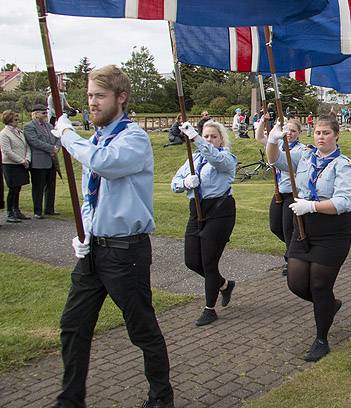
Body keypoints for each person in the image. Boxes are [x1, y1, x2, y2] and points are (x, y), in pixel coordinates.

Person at [50, 65, 174, 408]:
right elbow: (94, 194)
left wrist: (67, 136)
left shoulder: (132, 138)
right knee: (73, 328)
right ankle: (70, 400)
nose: (92, 103)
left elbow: (104, 164)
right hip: (93, 253)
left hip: (125, 253)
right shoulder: (96, 139)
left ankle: (161, 398)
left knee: (142, 329)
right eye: (89, 96)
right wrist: (85, 234)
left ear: (121, 98)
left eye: (99, 96)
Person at [266, 115, 351, 362]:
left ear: (336, 135)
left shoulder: (344, 165)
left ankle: (321, 339)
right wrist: (273, 140)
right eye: (317, 132)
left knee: (319, 285)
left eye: (326, 133)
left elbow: (343, 202)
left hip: (332, 231)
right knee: (296, 283)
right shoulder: (305, 157)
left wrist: (312, 206)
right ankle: (328, 305)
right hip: (304, 228)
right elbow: (274, 160)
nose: (321, 137)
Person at [171, 119, 237, 326]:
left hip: (220, 211)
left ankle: (210, 309)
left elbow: (216, 160)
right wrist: (184, 183)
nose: (209, 139)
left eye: (213, 137)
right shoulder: (194, 158)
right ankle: (224, 285)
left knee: (209, 262)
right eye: (206, 136)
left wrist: (197, 139)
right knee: (192, 261)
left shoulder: (226, 157)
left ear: (221, 139)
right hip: (197, 211)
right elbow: (174, 183)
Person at [256, 115, 306, 275]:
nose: (289, 133)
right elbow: (260, 138)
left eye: (293, 131)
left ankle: (291, 259)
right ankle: (297, 251)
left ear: (299, 132)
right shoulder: (277, 144)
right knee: (275, 227)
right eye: (287, 130)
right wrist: (264, 121)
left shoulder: (301, 150)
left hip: (293, 193)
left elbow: (285, 164)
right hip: (279, 192)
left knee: (288, 229)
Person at [24, 103, 61, 219]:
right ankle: (37, 210)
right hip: (39, 161)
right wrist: (50, 148)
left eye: (46, 112)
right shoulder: (29, 126)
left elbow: (57, 138)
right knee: (38, 187)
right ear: (35, 114)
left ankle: (49, 209)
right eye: (43, 113)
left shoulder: (49, 126)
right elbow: (34, 142)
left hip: (51, 160)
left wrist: (56, 149)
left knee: (51, 185)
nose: (46, 115)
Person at [0, 110, 31, 223]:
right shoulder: (4, 133)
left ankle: (17, 210)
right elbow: (7, 150)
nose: (17, 122)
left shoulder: (19, 131)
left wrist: (27, 159)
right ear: (9, 121)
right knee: (13, 188)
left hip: (21, 163)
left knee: (18, 188)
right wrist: (21, 160)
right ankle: (9, 212)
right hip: (10, 164)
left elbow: (26, 146)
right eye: (15, 120)